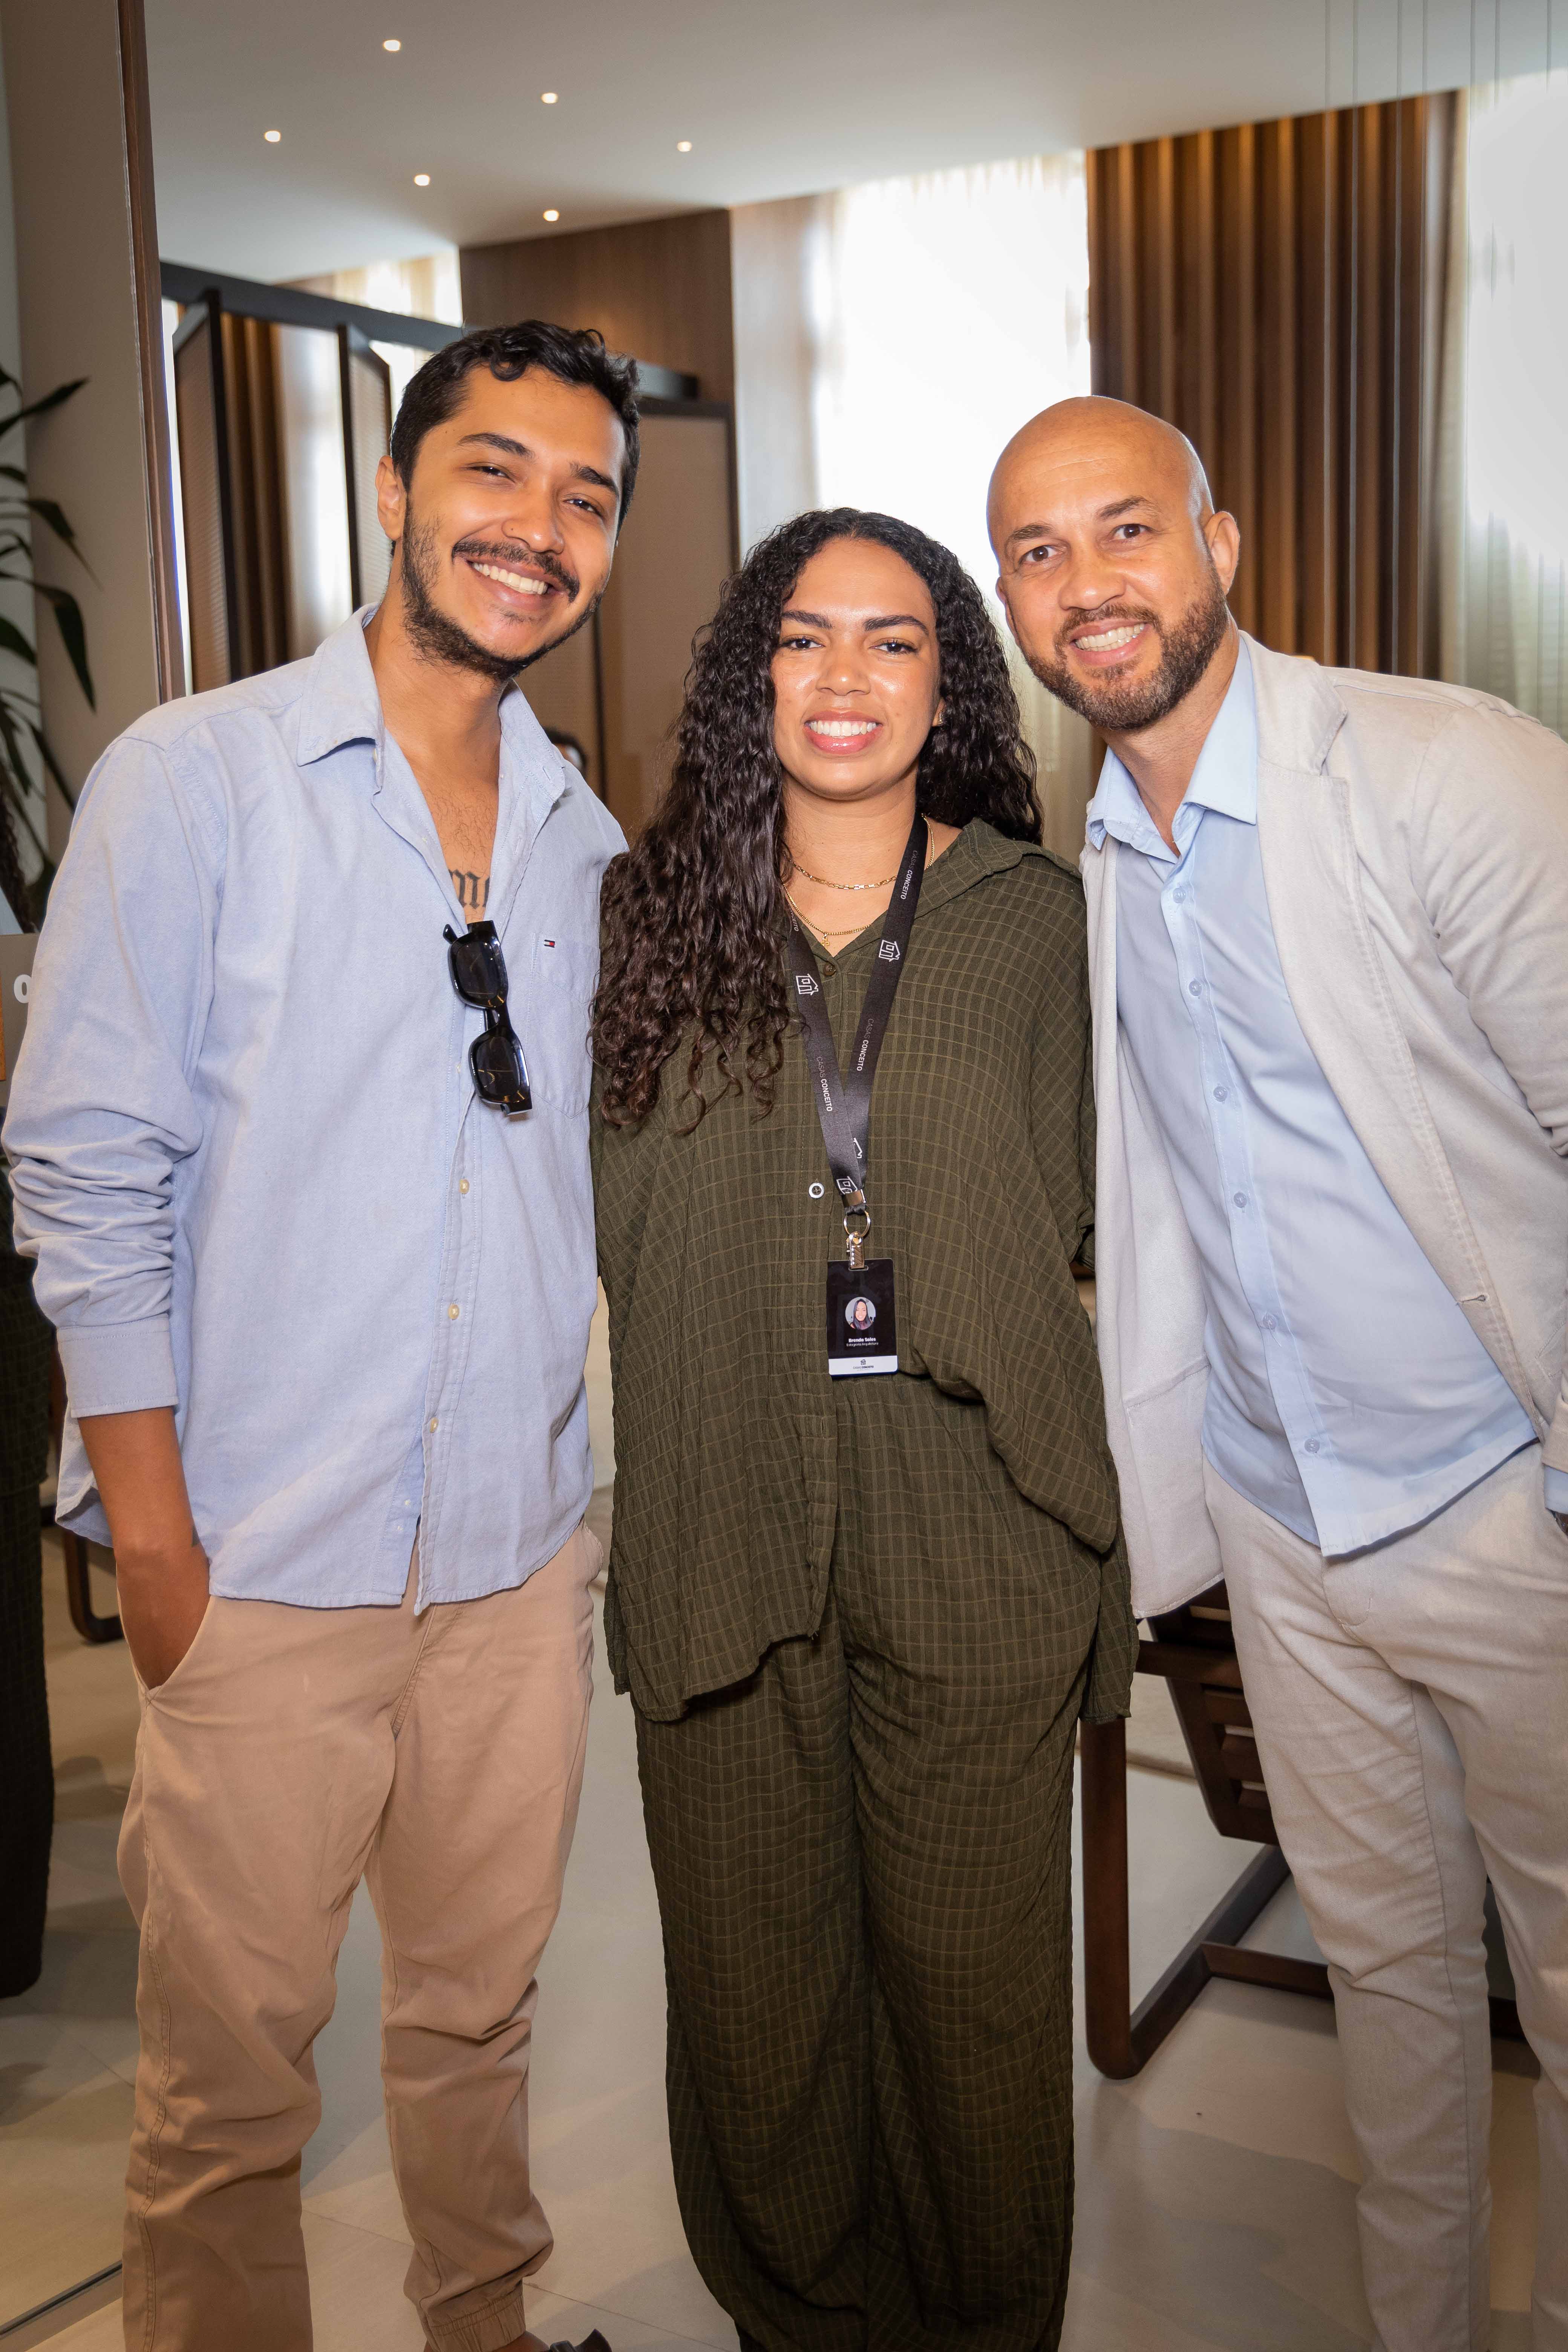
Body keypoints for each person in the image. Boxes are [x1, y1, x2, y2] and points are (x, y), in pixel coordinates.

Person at [2, 320, 635, 2352]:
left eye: (587, 497)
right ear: (393, 490)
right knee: (227, 2093)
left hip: (516, 1565)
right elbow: (87, 1175)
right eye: (495, 472)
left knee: (475, 2026)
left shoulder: (581, 836)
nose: (537, 529)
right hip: (264, 1561)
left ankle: (489, 2330)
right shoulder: (197, 782)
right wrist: (162, 1552)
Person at [988, 392, 1568, 2352]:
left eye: (1126, 530)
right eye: (1041, 553)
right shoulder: (1100, 859)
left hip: (1510, 1509)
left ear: (1221, 545)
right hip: (1284, 1536)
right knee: (1396, 2001)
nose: (1091, 586)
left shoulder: (1442, 770)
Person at [591, 506, 1133, 2352]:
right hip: (718, 1504)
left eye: (892, 641)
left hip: (975, 1525)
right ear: (751, 671)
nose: (843, 678)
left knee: (973, 2011)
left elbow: (1117, 1227)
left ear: (946, 681)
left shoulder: (1040, 925)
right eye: (803, 637)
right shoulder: (640, 921)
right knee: (753, 2005)